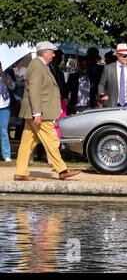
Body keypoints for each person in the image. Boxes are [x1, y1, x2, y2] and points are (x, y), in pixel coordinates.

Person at [14, 41, 81, 181]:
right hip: (40, 112)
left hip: (37, 111)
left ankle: (20, 172)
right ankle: (62, 170)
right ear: (45, 52)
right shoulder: (37, 66)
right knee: (51, 140)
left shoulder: (40, 65)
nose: (54, 54)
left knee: (27, 143)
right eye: (52, 51)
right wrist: (37, 113)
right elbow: (34, 90)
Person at [98, 43, 127, 108]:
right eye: (124, 56)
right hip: (113, 104)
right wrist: (102, 94)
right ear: (118, 55)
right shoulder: (108, 68)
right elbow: (101, 84)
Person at [0, 62, 16, 162]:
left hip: (4, 107)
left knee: (4, 132)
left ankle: (6, 155)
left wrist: (5, 77)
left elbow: (13, 87)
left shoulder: (6, 76)